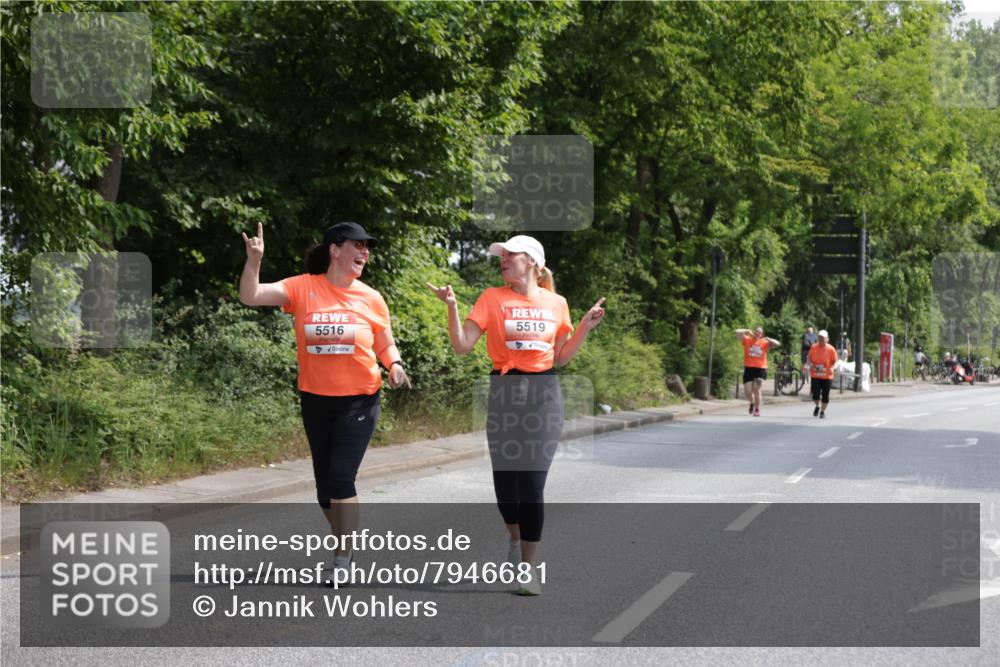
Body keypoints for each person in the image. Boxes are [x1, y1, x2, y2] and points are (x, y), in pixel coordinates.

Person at [427, 235, 605, 596]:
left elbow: (562, 357)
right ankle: (514, 538)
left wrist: (584, 325)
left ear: (534, 264)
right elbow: (462, 347)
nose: (503, 260)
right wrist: (450, 306)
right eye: (501, 255)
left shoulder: (557, 303)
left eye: (511, 255)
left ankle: (528, 567)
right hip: (505, 393)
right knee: (506, 486)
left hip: (543, 394)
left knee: (532, 484)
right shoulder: (492, 298)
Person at [239, 221, 410, 584]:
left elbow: (384, 341)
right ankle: (345, 540)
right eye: (357, 245)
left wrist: (394, 364)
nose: (365, 252)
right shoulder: (303, 287)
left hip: (360, 401)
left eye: (368, 247)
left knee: (341, 480)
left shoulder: (372, 297)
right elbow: (250, 296)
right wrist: (254, 260)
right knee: (323, 491)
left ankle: (343, 558)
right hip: (316, 400)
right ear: (335, 250)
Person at [735, 326, 780, 417]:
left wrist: (768, 338)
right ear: (754, 332)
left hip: (760, 368)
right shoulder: (747, 340)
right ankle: (752, 403)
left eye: (759, 332)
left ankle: (757, 408)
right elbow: (737, 332)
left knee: (756, 389)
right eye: (756, 331)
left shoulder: (764, 342)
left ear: (761, 334)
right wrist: (747, 330)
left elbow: (777, 344)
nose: (757, 333)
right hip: (749, 368)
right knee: (747, 390)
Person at [807, 329, 839, 419]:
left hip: (827, 376)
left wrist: (833, 367)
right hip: (815, 375)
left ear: (827, 339)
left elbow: (836, 361)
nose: (821, 340)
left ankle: (822, 411)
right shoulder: (813, 347)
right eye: (820, 338)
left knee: (825, 395)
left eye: (823, 338)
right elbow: (809, 359)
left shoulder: (831, 349)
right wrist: (811, 365)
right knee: (815, 395)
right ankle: (817, 406)